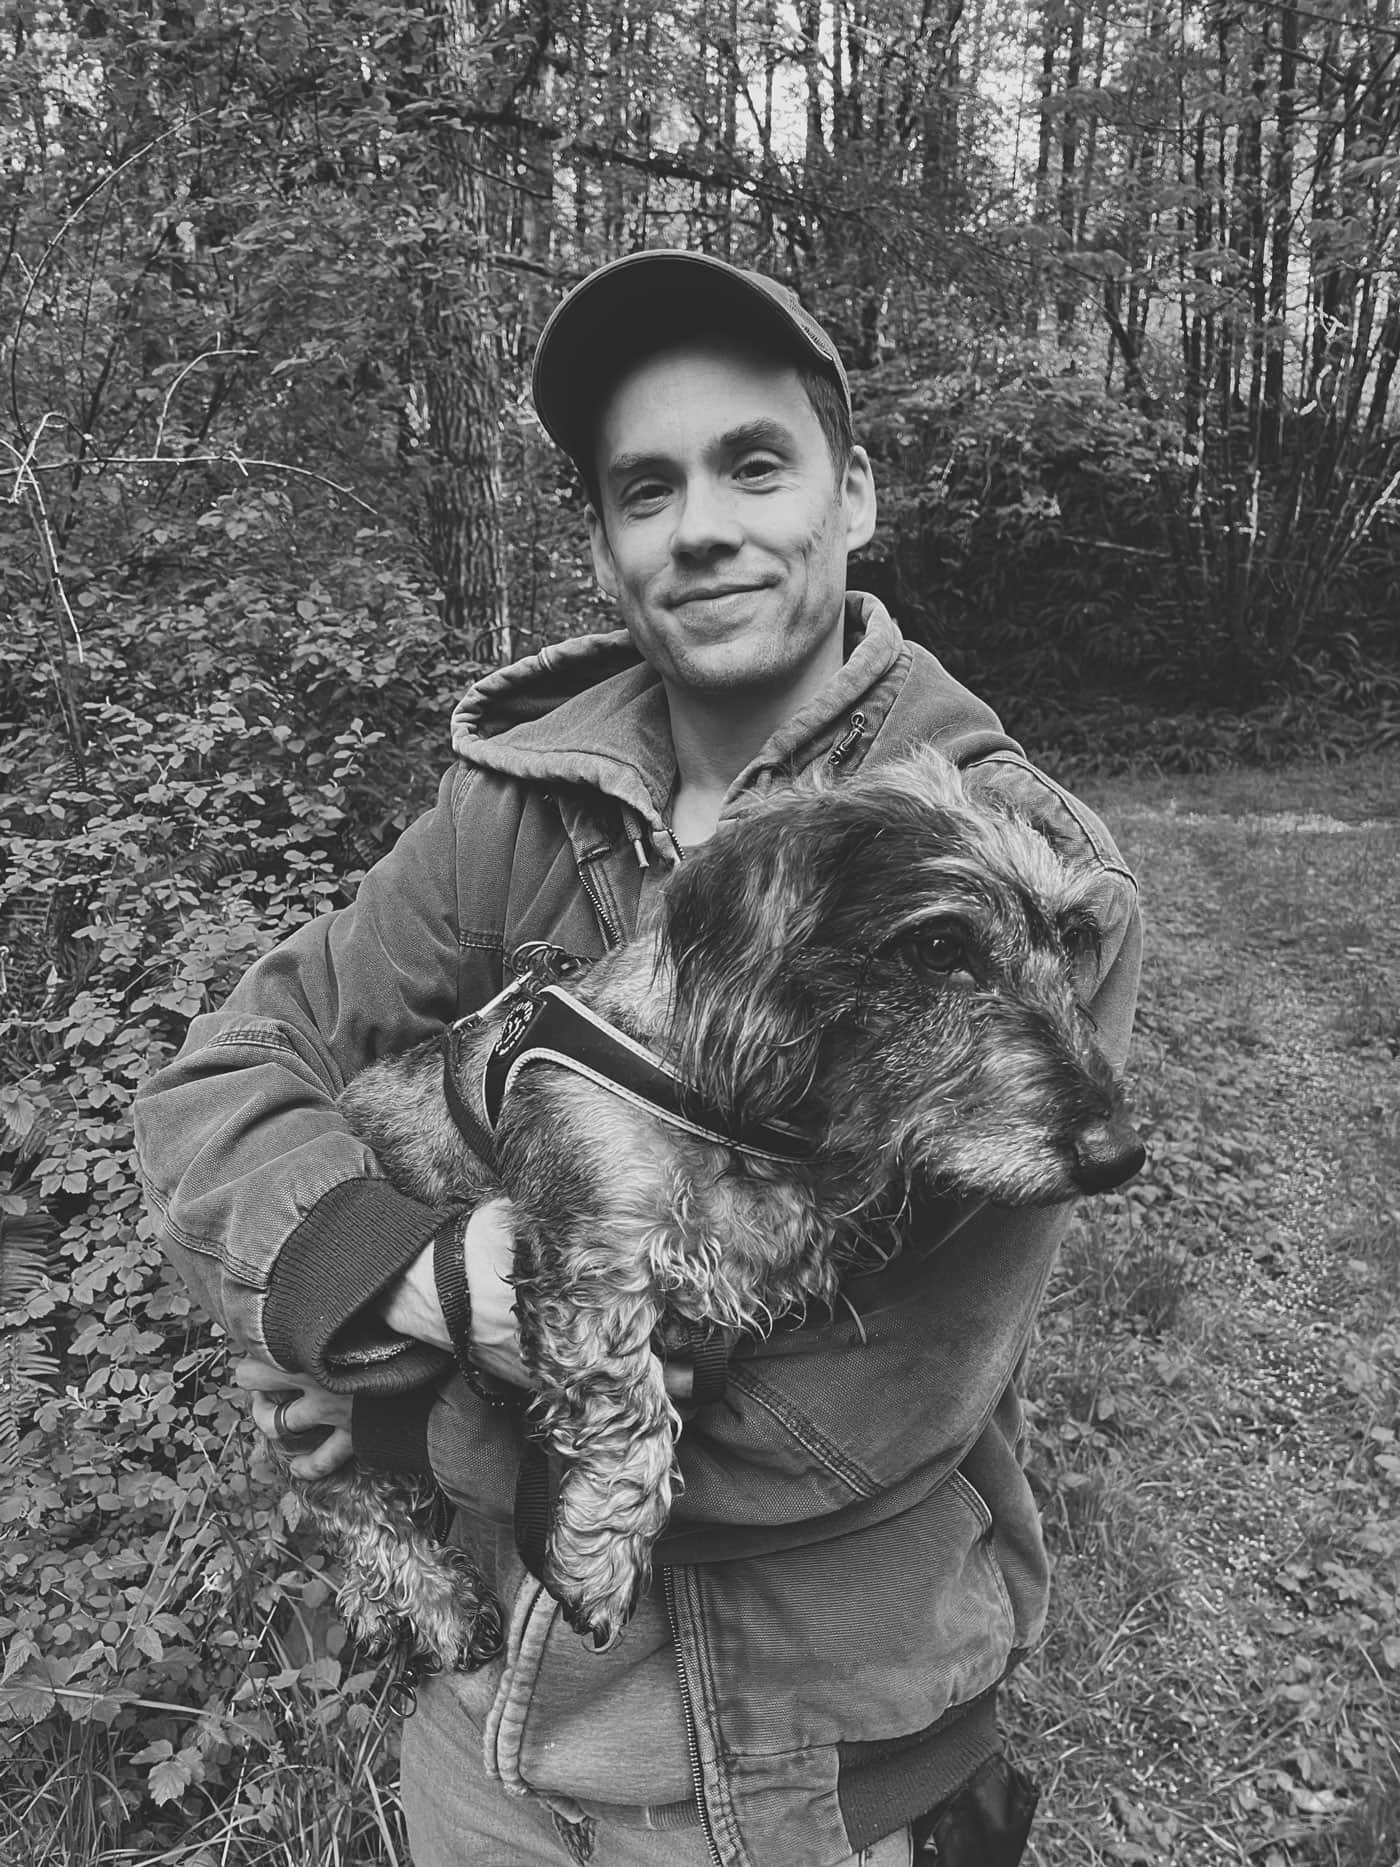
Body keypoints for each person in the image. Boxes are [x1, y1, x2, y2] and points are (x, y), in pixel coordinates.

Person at [134, 249, 1142, 1867]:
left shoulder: (1023, 873)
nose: (703, 528)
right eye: (643, 489)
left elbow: (852, 1419)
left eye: (756, 463)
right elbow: (223, 1077)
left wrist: (391, 1419)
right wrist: (388, 1275)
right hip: (484, 1738)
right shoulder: (512, 812)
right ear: (605, 542)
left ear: (852, 490)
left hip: (801, 1770)